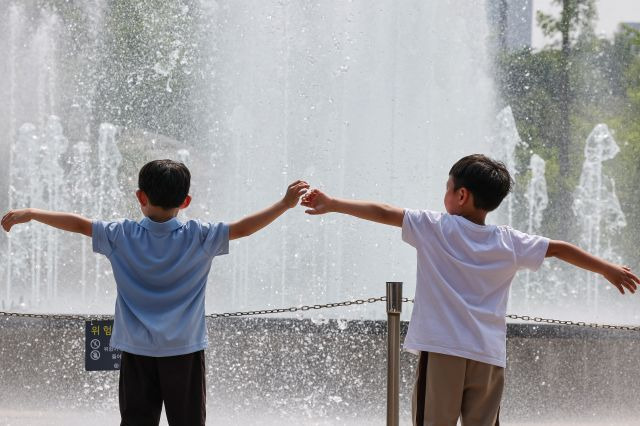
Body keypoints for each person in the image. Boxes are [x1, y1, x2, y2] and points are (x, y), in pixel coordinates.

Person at [300, 153, 638, 425]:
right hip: (488, 356)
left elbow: (384, 212)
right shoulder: (509, 242)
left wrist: (333, 203)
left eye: (447, 187)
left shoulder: (436, 228)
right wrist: (606, 268)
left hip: (443, 349)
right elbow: (560, 248)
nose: (444, 194)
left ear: (461, 195)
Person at [1, 159, 309, 426]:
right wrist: (283, 204)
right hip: (184, 351)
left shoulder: (120, 235)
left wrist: (33, 212)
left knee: (136, 420)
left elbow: (79, 224)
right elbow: (244, 228)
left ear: (140, 196)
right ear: (185, 201)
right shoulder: (200, 237)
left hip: (136, 350)